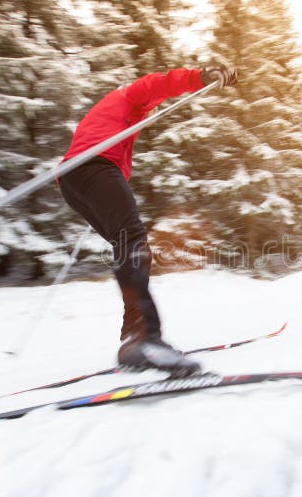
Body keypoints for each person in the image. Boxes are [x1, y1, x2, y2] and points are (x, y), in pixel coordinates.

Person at [58, 66, 237, 375]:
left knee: (127, 245)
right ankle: (144, 339)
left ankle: (134, 340)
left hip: (73, 178)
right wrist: (202, 76)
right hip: (95, 166)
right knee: (133, 241)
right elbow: (158, 83)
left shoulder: (111, 114)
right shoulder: (130, 95)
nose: (152, 107)